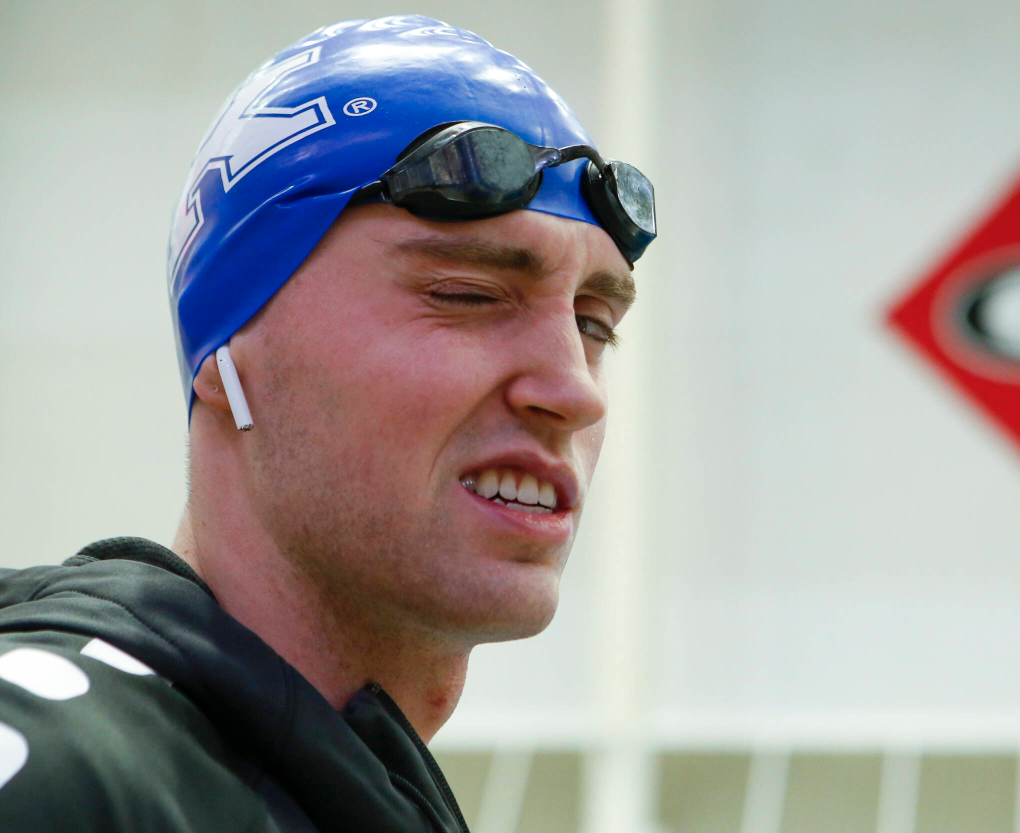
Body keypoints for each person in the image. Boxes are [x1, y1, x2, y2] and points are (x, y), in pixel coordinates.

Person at [0, 16, 654, 832]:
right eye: (466, 295)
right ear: (228, 348)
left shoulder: (320, 788)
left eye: (595, 325)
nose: (576, 390)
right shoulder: (57, 766)